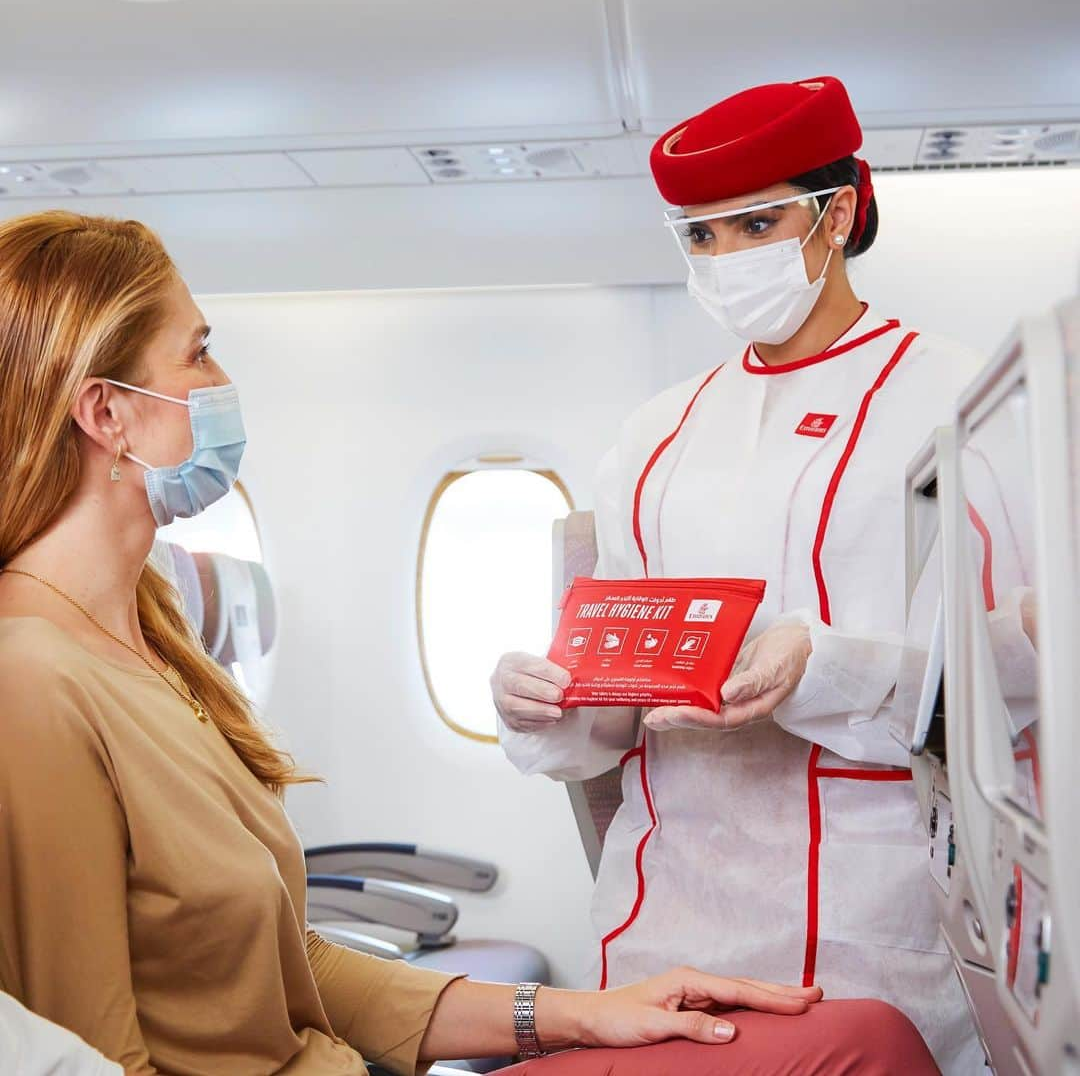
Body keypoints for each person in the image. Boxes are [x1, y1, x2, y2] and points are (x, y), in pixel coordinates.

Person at [0, 210, 939, 1076]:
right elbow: (81, 1051)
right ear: (106, 413)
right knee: (861, 1054)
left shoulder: (157, 645)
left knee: (866, 1032)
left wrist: (580, 1013)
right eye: (199, 354)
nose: (222, 384)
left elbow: (297, 974)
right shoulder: (31, 679)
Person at [493, 75, 996, 1074]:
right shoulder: (656, 433)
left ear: (838, 213)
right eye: (699, 237)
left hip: (868, 923)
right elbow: (612, 707)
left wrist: (828, 664)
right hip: (662, 919)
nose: (724, 261)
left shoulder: (955, 396)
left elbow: (1019, 663)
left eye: (754, 225)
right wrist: (539, 702)